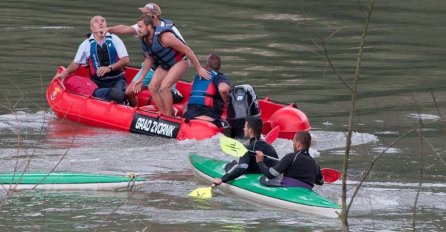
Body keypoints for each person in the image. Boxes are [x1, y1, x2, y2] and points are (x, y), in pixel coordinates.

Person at [102, 3, 184, 107]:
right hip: (151, 67)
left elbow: (184, 51)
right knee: (129, 92)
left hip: (168, 67)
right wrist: (109, 29)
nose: (143, 16)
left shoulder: (170, 31)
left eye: (146, 13)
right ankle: (133, 111)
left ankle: (169, 107)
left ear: (155, 16)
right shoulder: (142, 26)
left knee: (164, 93)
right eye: (142, 13)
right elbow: (125, 29)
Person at [136, 15, 210, 116]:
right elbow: (149, 58)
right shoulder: (145, 39)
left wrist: (198, 68)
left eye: (140, 27)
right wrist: (141, 78)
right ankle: (166, 112)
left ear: (149, 27)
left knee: (165, 86)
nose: (138, 29)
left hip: (181, 61)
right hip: (165, 64)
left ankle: (168, 116)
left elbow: (186, 50)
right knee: (152, 87)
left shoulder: (164, 36)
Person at [55, 15, 129, 104]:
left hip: (117, 79)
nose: (100, 23)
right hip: (98, 82)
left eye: (103, 21)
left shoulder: (115, 39)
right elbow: (76, 63)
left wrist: (109, 68)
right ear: (91, 28)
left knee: (116, 95)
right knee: (106, 94)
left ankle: (124, 103)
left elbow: (125, 60)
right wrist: (64, 73)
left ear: (106, 25)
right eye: (96, 21)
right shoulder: (85, 44)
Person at [212, 116, 278, 185]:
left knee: (228, 165)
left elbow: (242, 168)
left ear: (250, 131)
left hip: (252, 173)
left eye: (245, 127)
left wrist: (222, 179)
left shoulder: (247, 149)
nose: (243, 129)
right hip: (265, 174)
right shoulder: (270, 147)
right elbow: (277, 166)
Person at [255, 131, 324, 189]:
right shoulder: (315, 164)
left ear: (298, 144)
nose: (293, 143)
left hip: (289, 191)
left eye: (294, 141)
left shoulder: (291, 157)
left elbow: (270, 174)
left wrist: (260, 161)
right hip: (306, 193)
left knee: (263, 179)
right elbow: (321, 182)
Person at [184, 53, 230, 126]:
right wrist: (228, 103)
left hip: (191, 116)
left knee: (186, 104)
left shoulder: (197, 77)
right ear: (219, 67)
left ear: (207, 66)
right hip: (210, 117)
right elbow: (223, 89)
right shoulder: (219, 77)